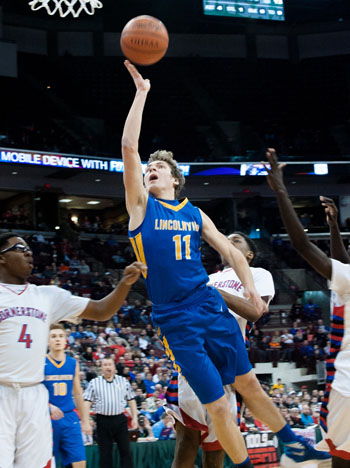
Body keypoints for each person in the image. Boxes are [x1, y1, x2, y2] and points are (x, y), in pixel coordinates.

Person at [122, 60, 266, 467]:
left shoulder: (195, 216)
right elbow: (129, 149)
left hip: (222, 346)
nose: (150, 170)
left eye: (159, 168)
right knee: (189, 438)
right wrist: (142, 93)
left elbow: (246, 284)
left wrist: (231, 292)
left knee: (216, 441)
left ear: (175, 181)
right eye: (148, 168)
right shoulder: (141, 206)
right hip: (184, 336)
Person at [167, 232, 329, 468]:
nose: (229, 241)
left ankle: (292, 446)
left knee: (216, 450)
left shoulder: (258, 274)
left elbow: (255, 311)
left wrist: (215, 293)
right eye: (226, 239)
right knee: (187, 441)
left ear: (249, 254)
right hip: (197, 351)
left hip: (228, 355)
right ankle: (293, 446)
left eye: (236, 240)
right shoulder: (208, 278)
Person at [0, 231, 145, 468]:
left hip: (34, 393)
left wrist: (124, 284)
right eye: (19, 248)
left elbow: (101, 311)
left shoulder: (47, 295)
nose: (28, 252)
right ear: (1, 258)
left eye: (28, 248)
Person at [264, 147, 350, 467]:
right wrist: (333, 227)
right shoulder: (347, 278)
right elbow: (338, 264)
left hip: (345, 389)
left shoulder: (348, 279)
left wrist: (282, 191)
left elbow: (303, 246)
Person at [44, 323, 91, 468]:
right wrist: (49, 406)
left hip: (69, 417)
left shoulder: (72, 363)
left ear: (66, 340)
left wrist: (85, 420)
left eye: (60, 336)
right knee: (47, 462)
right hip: (47, 418)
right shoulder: (40, 362)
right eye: (53, 336)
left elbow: (77, 393)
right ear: (47, 341)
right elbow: (35, 393)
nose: (57, 339)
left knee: (79, 462)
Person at [84, 357, 137, 468]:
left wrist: (135, 418)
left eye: (110, 364)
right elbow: (86, 402)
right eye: (105, 365)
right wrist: (86, 421)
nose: (108, 367)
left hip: (120, 419)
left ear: (114, 367)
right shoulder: (94, 383)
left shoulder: (123, 381)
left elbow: (131, 400)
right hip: (103, 420)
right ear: (101, 368)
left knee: (126, 451)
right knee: (105, 453)